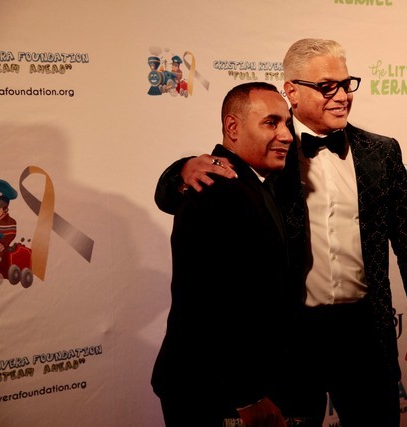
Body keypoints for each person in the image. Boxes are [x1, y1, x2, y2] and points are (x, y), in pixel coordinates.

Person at [155, 39, 407, 427]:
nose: (342, 96)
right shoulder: (271, 146)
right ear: (292, 91)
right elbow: (191, 199)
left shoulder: (382, 152)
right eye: (327, 86)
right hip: (292, 338)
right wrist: (183, 169)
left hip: (364, 333)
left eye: (346, 84)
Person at [151, 82, 297, 427]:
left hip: (234, 384)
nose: (287, 135)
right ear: (233, 127)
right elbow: (207, 302)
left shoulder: (254, 181)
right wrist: (246, 394)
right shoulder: (215, 188)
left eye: (287, 123)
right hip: (214, 391)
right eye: (271, 122)